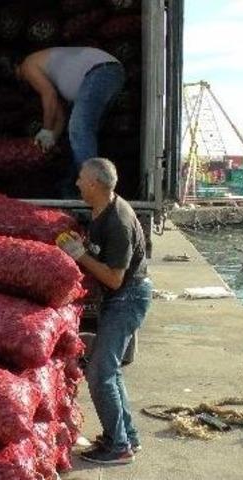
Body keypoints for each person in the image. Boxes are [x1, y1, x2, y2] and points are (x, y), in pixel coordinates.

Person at [56, 158, 151, 465]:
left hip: (129, 297)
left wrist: (80, 255)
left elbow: (114, 277)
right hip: (119, 298)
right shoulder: (101, 211)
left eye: (82, 179)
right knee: (110, 371)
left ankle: (118, 447)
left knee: (99, 373)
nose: (77, 183)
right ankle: (126, 438)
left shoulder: (118, 221)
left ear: (96, 184)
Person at [16, 47, 125, 190]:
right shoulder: (52, 74)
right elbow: (60, 116)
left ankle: (91, 189)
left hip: (100, 72)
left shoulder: (27, 65)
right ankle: (73, 187)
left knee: (79, 130)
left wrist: (46, 130)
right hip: (109, 72)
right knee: (81, 136)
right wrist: (52, 138)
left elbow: (49, 95)